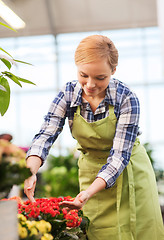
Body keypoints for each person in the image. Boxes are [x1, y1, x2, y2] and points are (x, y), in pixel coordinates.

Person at [24, 35, 164, 240]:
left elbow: (119, 157)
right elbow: (46, 134)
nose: (90, 85)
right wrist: (30, 171)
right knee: (98, 232)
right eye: (83, 75)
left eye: (100, 78)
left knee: (139, 232)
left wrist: (88, 193)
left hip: (130, 173)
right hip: (91, 173)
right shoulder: (68, 95)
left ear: (113, 71)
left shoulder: (126, 98)